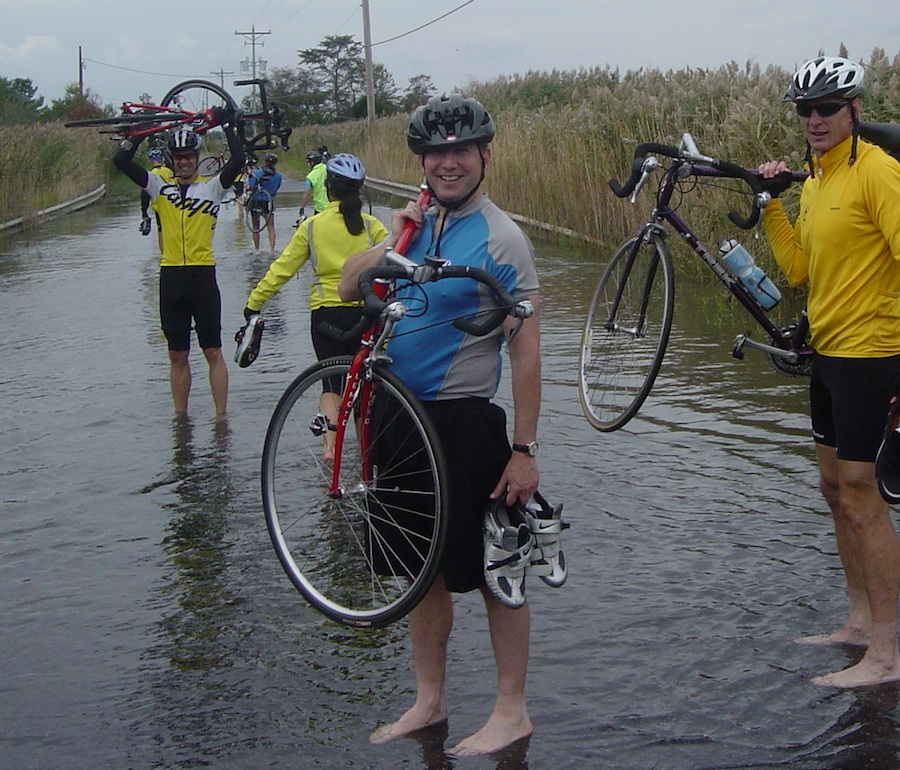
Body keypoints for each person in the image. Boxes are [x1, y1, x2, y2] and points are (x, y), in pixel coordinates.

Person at [338, 94, 542, 754]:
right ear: (421, 161)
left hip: (465, 423)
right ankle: (430, 699)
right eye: (435, 152)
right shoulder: (410, 227)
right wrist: (386, 246)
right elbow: (346, 288)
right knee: (418, 570)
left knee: (495, 571)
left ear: (484, 155)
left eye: (461, 150)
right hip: (397, 419)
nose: (448, 163)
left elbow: (526, 350)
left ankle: (511, 709)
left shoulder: (503, 239)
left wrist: (524, 450)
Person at [758, 56, 900, 688]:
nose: (814, 120)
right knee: (834, 489)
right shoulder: (815, 182)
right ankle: (860, 622)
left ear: (855, 112)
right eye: (805, 110)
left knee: (864, 495)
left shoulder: (879, 174)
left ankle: (888, 654)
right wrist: (770, 206)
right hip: (830, 354)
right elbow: (799, 271)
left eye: (827, 108)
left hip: (876, 353)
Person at [243, 153, 388, 460]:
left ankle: (330, 452)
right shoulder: (373, 227)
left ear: (328, 188)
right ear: (358, 190)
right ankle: (367, 463)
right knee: (365, 386)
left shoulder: (312, 226)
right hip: (366, 314)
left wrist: (254, 304)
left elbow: (282, 268)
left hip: (326, 317)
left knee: (332, 384)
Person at [114, 115, 245, 421]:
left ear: (198, 158)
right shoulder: (159, 186)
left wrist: (228, 126)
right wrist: (138, 132)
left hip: (202, 276)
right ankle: (180, 419)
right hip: (171, 276)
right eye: (179, 157)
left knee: (212, 351)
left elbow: (238, 159)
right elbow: (121, 160)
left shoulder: (212, 188)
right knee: (177, 354)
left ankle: (220, 419)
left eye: (189, 157)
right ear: (172, 160)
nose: (184, 162)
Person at [246, 152, 283, 254]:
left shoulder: (257, 173)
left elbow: (251, 186)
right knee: (270, 226)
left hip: (256, 201)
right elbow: (277, 188)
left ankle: (257, 249)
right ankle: (272, 249)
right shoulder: (278, 176)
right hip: (269, 202)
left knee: (255, 227)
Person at [139, 147, 169, 252]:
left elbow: (145, 195)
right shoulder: (170, 172)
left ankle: (164, 253)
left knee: (161, 231)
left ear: (151, 160)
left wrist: (144, 211)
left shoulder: (151, 174)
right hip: (174, 206)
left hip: (159, 208)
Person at [296, 147, 329, 223]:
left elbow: (307, 194)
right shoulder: (327, 168)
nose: (307, 164)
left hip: (320, 207)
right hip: (332, 205)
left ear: (313, 162)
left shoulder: (310, 177)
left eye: (308, 162)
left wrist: (302, 208)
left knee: (317, 230)